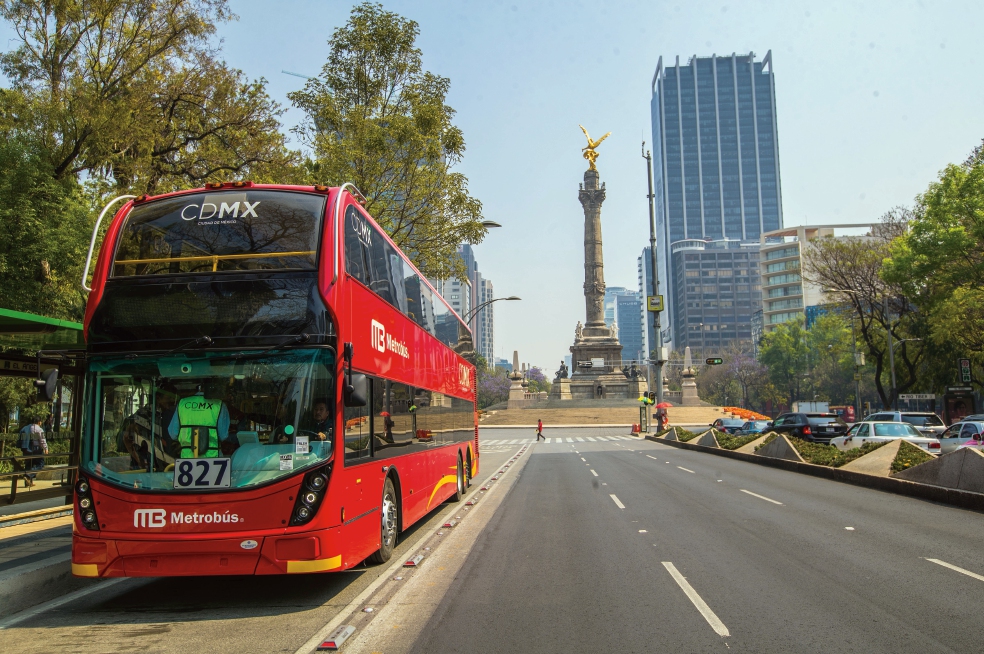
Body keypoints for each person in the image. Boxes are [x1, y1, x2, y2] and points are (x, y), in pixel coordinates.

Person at [168, 388, 230, 458]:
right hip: (212, 457)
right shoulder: (219, 404)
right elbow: (223, 435)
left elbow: (173, 434)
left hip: (187, 458)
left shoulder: (182, 403)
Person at [18, 416, 47, 487]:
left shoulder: (26, 428)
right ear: (39, 422)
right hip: (36, 450)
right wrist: (45, 448)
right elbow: (42, 440)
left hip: (26, 449)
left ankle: (28, 483)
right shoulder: (39, 429)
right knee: (40, 464)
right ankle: (28, 475)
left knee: (28, 464)